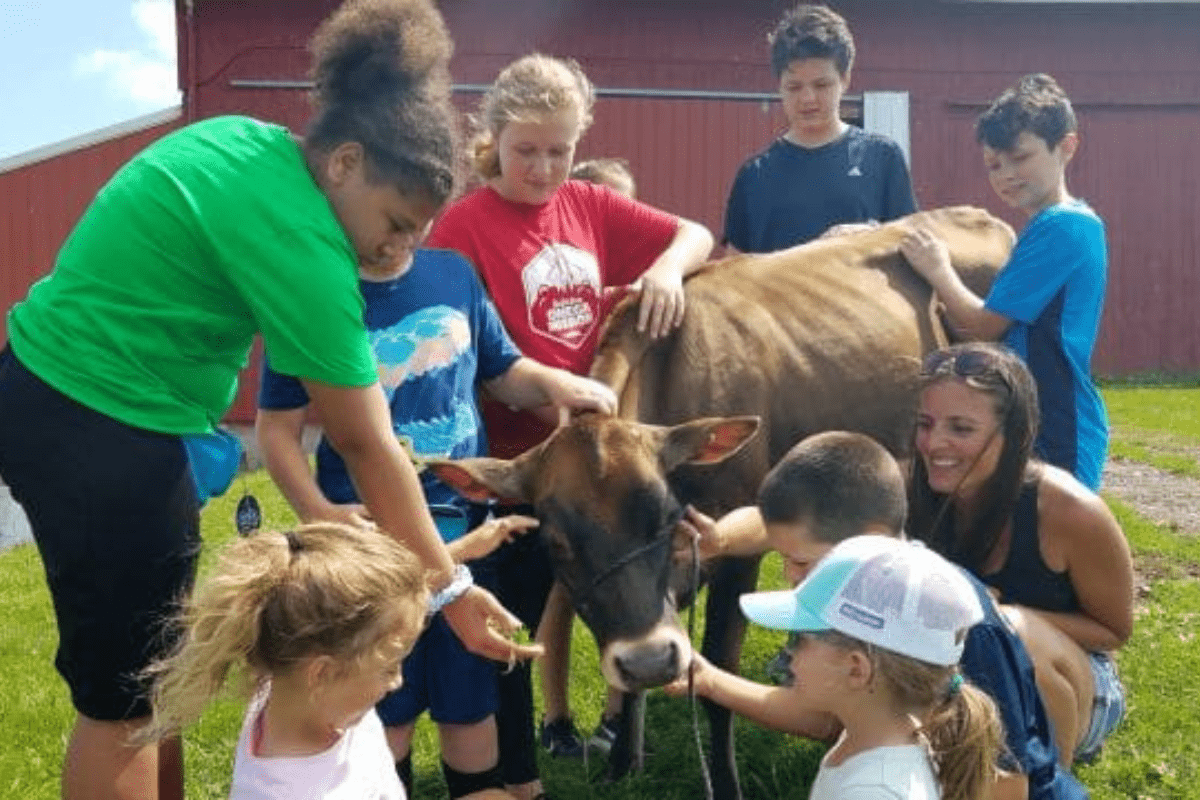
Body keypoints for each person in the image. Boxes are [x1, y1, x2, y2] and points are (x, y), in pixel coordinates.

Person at [0, 2, 537, 798]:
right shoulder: (305, 241)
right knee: (121, 700)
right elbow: (367, 441)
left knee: (160, 673)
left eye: (415, 237)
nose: (393, 251)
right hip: (96, 420)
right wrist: (450, 591)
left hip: (67, 398)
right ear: (346, 163)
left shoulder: (240, 143)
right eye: (392, 224)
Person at [425, 53, 714, 799]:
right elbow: (466, 351)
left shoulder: (586, 206)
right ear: (493, 138)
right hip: (522, 465)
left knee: (612, 591)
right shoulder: (463, 227)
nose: (545, 167)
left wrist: (667, 269)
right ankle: (518, 775)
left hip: (601, 463)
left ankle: (613, 721)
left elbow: (694, 233)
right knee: (512, 621)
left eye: (560, 150)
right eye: (526, 150)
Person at [256, 232, 617, 797]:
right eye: (390, 217)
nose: (399, 235)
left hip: (468, 526)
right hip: (370, 551)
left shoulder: (454, 273)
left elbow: (501, 371)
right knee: (384, 709)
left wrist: (555, 383)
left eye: (416, 219)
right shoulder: (313, 295)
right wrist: (319, 510)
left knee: (471, 707)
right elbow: (277, 431)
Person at [677, 430, 1087, 799]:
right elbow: (821, 716)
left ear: (866, 542)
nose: (790, 575)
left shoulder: (954, 624)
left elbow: (1007, 786)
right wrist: (711, 681)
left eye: (801, 561)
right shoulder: (848, 600)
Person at [137, 523, 508, 800]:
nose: (396, 681)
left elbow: (387, 609)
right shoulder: (294, 792)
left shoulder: (287, 681)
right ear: (323, 672)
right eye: (389, 666)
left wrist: (462, 553)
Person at [908, 341, 1133, 766]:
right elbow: (815, 511)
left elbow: (1113, 631)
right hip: (956, 674)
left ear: (1012, 434)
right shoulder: (909, 487)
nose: (934, 443)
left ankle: (1048, 784)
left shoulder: (1069, 510)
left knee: (1009, 628)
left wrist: (993, 611)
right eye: (925, 423)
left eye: (961, 428)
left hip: (1074, 682)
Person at [900, 73, 1108, 491]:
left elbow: (985, 325)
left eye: (1020, 157)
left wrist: (938, 269)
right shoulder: (1054, 226)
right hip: (1031, 412)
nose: (1006, 174)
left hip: (1056, 422)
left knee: (1050, 538)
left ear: (1066, 147)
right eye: (994, 164)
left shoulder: (1062, 228)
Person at [683, 534, 1003, 800]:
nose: (787, 655)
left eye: (799, 640)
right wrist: (708, 678)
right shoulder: (871, 736)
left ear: (856, 669)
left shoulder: (875, 791)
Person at [723, 4, 917, 254]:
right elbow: (734, 269)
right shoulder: (752, 177)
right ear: (779, 86)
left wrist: (871, 235)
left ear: (845, 80)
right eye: (794, 87)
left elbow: (914, 249)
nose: (807, 99)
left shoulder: (882, 157)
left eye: (821, 85)